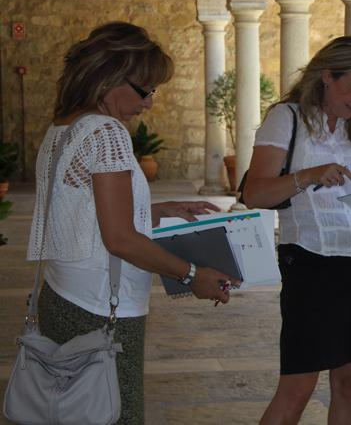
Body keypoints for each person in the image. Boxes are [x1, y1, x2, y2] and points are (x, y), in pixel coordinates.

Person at [27, 22, 236, 425]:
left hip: (62, 297)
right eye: (146, 90)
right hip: (100, 310)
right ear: (109, 77)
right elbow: (120, 239)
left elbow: (82, 212)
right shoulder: (107, 132)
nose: (150, 103)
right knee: (113, 415)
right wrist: (193, 275)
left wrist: (156, 211)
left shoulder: (63, 127)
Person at [243, 36, 351, 425]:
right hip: (312, 266)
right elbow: (255, 193)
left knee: (350, 386)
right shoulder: (287, 118)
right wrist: (308, 176)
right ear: (327, 76)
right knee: (297, 388)